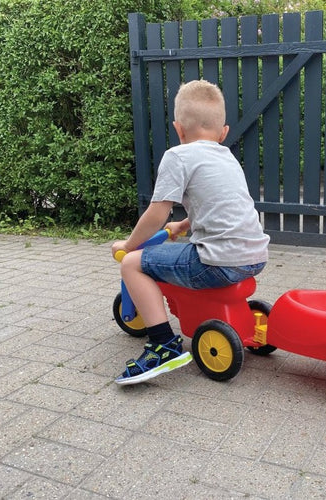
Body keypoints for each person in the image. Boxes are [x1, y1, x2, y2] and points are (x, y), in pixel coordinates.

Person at [111, 79, 270, 385]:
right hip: (255, 258)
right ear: (223, 133)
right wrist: (184, 225)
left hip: (217, 262)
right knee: (163, 256)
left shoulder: (178, 156)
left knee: (131, 264)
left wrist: (130, 245)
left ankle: (162, 345)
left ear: (178, 129)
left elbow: (157, 213)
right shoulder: (227, 157)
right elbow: (219, 206)